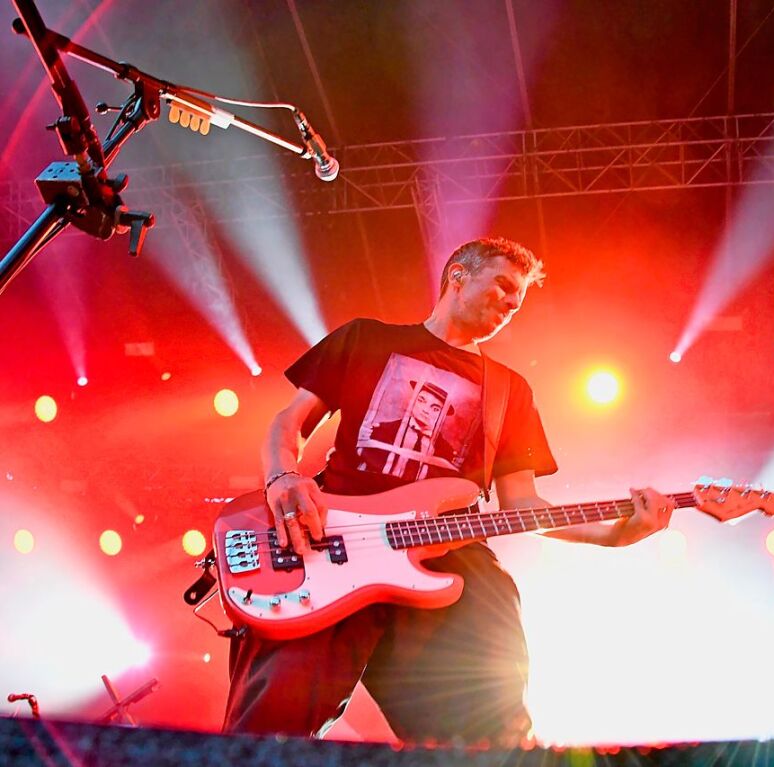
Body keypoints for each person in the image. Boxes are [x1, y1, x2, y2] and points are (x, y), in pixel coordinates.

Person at [223, 237, 674, 744]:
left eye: (518, 300)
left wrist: (617, 535)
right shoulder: (365, 339)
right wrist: (283, 477)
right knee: (271, 722)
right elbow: (289, 423)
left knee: (489, 723)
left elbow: (523, 505)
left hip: (448, 558)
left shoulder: (510, 391)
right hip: (329, 541)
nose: (510, 304)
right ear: (457, 276)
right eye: (503, 286)